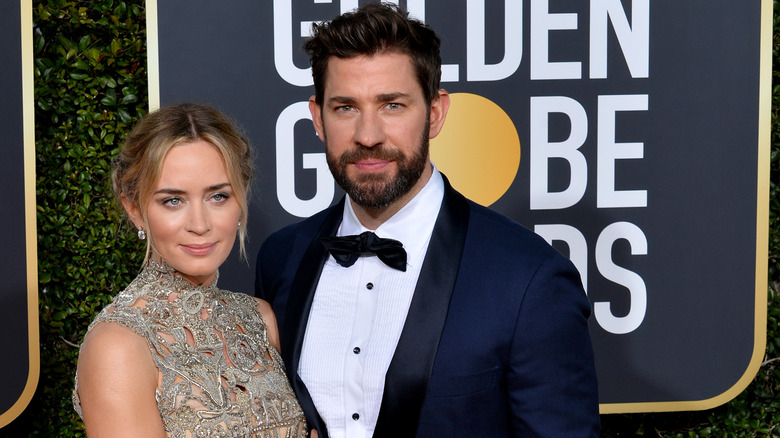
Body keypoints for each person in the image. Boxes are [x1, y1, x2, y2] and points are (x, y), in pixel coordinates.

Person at [255, 3, 600, 437]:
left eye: (392, 105)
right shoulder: (282, 259)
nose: (368, 135)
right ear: (317, 118)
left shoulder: (529, 278)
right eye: (345, 107)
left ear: (435, 113)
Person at [73, 103, 308, 437]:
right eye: (173, 200)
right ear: (135, 209)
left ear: (239, 200)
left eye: (218, 197)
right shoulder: (118, 345)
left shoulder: (259, 318)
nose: (200, 225)